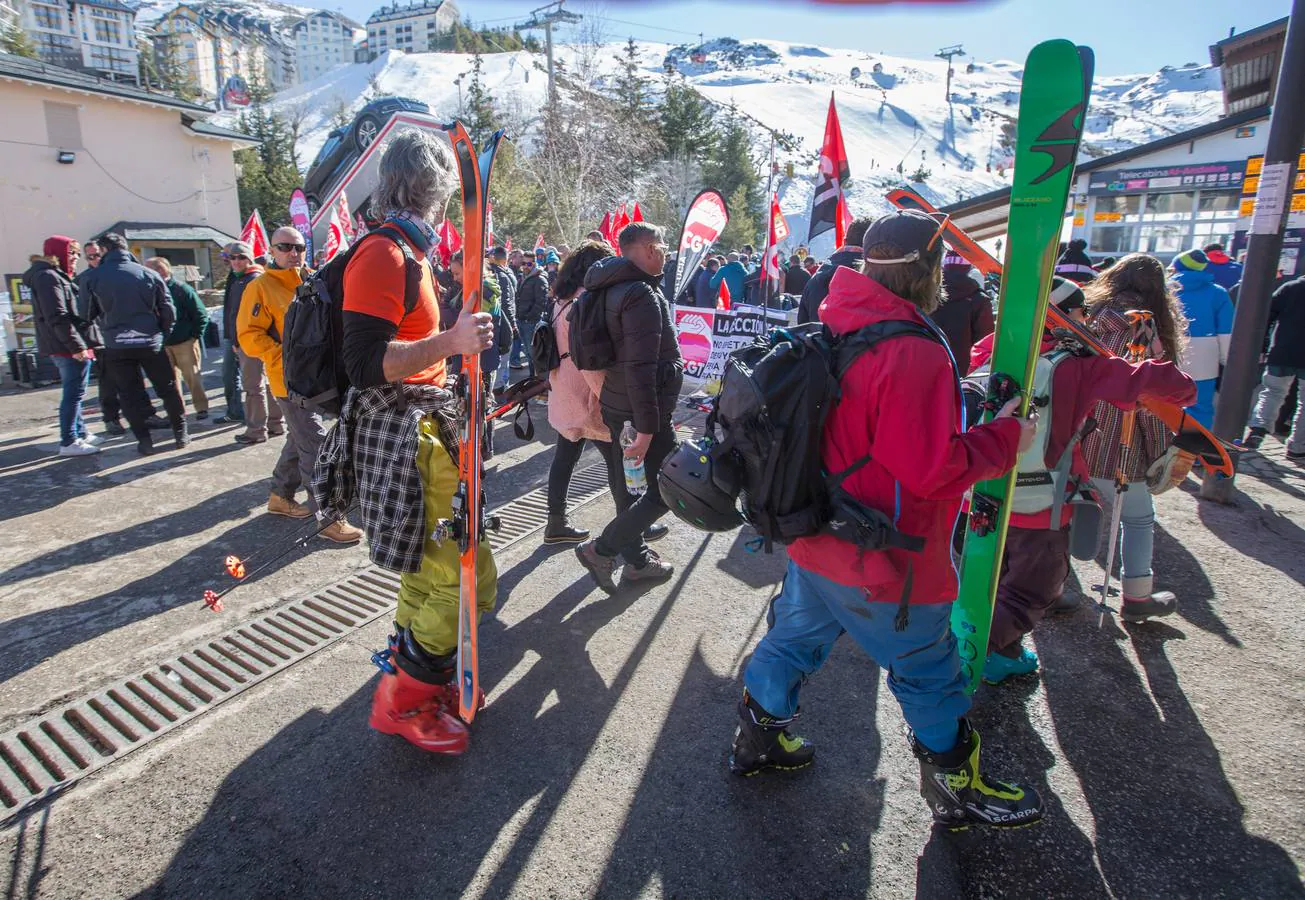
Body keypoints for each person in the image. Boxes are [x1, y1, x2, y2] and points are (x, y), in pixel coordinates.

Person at [729, 209, 1043, 830]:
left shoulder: (837, 317)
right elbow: (928, 470)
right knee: (929, 670)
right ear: (928, 269)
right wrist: (1006, 437)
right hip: (885, 557)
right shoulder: (911, 348)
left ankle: (758, 742)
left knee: (790, 642)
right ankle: (956, 787)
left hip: (814, 536)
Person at [317, 129, 496, 754]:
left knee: (427, 572)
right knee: (468, 578)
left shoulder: (409, 251)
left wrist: (455, 341)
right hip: (403, 431)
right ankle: (405, 701)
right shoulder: (385, 254)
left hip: (422, 423)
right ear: (434, 187)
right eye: (447, 189)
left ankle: (417, 673)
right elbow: (365, 362)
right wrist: (449, 343)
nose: (449, 202)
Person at [971, 276, 1195, 683]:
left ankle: (1002, 654)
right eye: (1081, 312)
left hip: (982, 490)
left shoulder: (991, 350)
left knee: (990, 580)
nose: (1087, 320)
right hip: (1041, 501)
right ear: (1066, 316)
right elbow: (1163, 387)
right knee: (1031, 590)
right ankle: (967, 658)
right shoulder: (1078, 365)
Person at [1080, 254, 1192, 617]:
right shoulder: (1144, 328)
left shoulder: (1087, 316)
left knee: (1067, 510)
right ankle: (1137, 595)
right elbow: (1155, 399)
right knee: (1138, 518)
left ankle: (1055, 586)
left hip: (1077, 434)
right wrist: (1163, 450)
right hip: (1123, 444)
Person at [575, 222, 682, 592]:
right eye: (663, 245)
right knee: (672, 486)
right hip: (642, 410)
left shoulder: (607, 285)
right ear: (650, 249)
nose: (666, 252)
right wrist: (650, 427)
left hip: (619, 403)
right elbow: (640, 366)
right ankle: (601, 550)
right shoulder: (639, 293)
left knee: (628, 487)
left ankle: (635, 561)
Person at [237, 226, 363, 543]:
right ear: (272, 249)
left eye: (299, 247)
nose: (294, 253)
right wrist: (283, 354)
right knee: (318, 447)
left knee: (300, 439)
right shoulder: (260, 286)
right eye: (285, 247)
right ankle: (328, 517)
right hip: (288, 381)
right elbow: (248, 337)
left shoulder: (313, 278)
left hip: (319, 378)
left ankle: (280, 496)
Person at [542, 240, 635, 543]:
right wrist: (612, 399)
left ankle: (555, 523)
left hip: (564, 388)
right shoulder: (587, 300)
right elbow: (591, 357)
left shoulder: (560, 298)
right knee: (618, 460)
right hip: (587, 389)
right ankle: (631, 529)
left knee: (565, 457)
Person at [80, 232, 188, 455]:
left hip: (117, 344)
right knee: (168, 389)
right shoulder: (148, 273)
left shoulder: (93, 277)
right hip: (150, 341)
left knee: (129, 394)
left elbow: (86, 313)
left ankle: (144, 441)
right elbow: (168, 310)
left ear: (104, 251)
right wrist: (161, 334)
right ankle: (181, 434)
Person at [25, 236, 101, 456]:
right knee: (74, 393)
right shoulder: (48, 277)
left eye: (77, 253)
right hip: (66, 346)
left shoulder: (52, 275)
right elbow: (58, 316)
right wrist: (77, 347)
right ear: (56, 253)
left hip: (66, 344)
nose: (76, 258)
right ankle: (69, 440)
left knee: (76, 391)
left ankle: (80, 432)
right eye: (72, 253)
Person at [1169, 248, 1233, 428]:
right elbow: (1226, 331)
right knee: (1201, 407)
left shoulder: (1164, 290)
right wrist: (1226, 360)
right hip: (1205, 356)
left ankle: (1163, 449)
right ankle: (1196, 454)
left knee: (1165, 405)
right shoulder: (1218, 293)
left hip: (1169, 351)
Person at [1244, 274, 1305, 459]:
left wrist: (1262, 345)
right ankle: (1297, 446)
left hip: (1282, 351)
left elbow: (1266, 314)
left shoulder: (1290, 287)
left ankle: (1258, 430)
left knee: (1272, 392)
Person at [145, 257, 210, 421]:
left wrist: (194, 336)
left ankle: (201, 407)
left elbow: (200, 313)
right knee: (170, 381)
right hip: (163, 344)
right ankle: (178, 410)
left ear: (160, 270)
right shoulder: (149, 289)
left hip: (184, 342)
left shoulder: (181, 289)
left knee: (192, 377)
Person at [214, 242, 264, 426]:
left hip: (247, 339)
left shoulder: (253, 279)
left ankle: (259, 426)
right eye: (231, 257)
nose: (235, 261)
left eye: (241, 257)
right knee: (238, 379)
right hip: (234, 338)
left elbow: (250, 314)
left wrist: (238, 340)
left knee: (254, 385)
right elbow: (231, 310)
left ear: (249, 258)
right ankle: (238, 413)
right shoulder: (236, 277)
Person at [797, 217, 872, 324]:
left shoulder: (816, 277)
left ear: (845, 241)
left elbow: (803, 326)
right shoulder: (876, 277)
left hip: (817, 338)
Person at [931, 252, 995, 374]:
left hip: (929, 368)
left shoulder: (926, 295)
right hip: (963, 375)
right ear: (968, 268)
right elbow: (985, 343)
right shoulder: (979, 300)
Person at [486, 246, 519, 391]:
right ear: (505, 259)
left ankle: (497, 386)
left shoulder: (496, 273)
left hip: (495, 321)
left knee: (497, 358)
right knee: (503, 358)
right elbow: (507, 303)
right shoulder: (503, 275)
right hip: (502, 322)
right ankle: (500, 388)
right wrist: (512, 324)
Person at [513, 252, 550, 373]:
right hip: (521, 320)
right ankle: (532, 378)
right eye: (523, 263)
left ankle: (540, 381)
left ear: (534, 263)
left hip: (531, 322)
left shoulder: (540, 279)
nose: (525, 266)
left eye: (528, 264)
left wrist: (530, 316)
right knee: (529, 354)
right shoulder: (522, 277)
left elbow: (541, 302)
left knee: (534, 353)